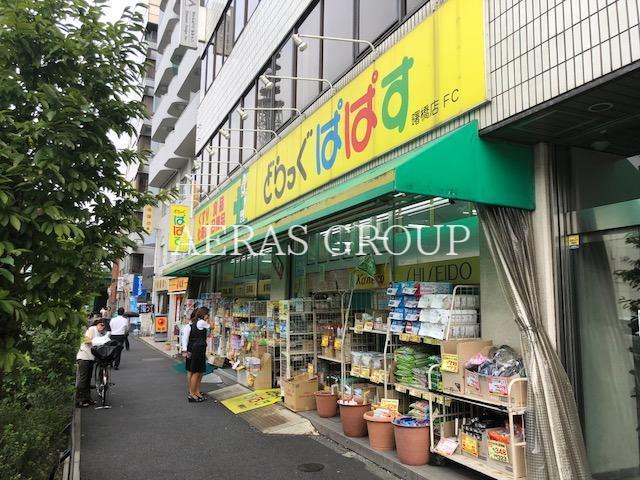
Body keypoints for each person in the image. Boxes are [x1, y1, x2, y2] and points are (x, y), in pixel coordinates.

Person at [76, 318, 108, 407]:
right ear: (97, 324)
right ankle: (79, 400)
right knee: (83, 379)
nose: (102, 327)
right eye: (101, 325)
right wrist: (96, 341)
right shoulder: (92, 329)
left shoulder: (100, 334)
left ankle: (87, 398)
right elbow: (86, 340)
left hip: (91, 358)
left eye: (104, 326)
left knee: (88, 379)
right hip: (84, 357)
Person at [181, 307, 210, 403]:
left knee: (198, 372)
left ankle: (195, 391)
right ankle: (192, 393)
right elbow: (185, 339)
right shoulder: (191, 326)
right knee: (193, 372)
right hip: (194, 350)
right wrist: (185, 350)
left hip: (198, 349)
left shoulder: (198, 324)